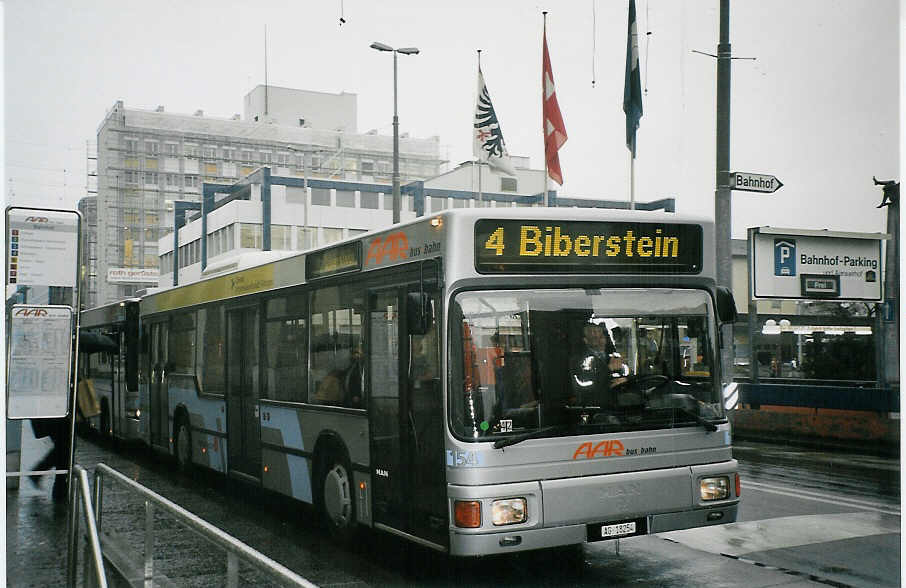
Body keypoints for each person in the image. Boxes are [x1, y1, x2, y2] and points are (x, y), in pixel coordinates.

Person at [30, 417, 70, 502]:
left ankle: (59, 489)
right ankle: (59, 490)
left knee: (64, 447)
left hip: (54, 415)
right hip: (55, 415)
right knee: (65, 447)